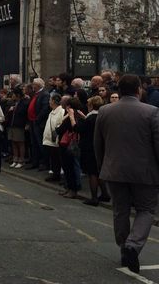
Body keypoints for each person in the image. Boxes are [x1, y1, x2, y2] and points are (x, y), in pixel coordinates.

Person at [94, 74, 159, 273]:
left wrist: (102, 168)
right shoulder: (152, 112)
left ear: (119, 90)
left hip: (113, 170)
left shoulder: (104, 111)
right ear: (139, 89)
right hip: (144, 172)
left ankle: (124, 248)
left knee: (120, 210)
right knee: (146, 210)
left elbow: (98, 144)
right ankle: (133, 245)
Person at [74, 96, 110, 206]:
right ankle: (105, 194)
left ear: (91, 105)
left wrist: (72, 117)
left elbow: (78, 128)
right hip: (100, 147)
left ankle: (94, 197)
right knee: (98, 172)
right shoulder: (102, 116)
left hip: (89, 147)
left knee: (92, 173)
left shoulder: (90, 118)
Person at [56, 97, 82, 199]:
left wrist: (57, 128)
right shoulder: (78, 115)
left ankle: (72, 189)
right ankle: (69, 188)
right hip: (72, 144)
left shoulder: (70, 117)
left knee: (69, 168)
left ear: (69, 106)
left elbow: (61, 129)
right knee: (70, 167)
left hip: (67, 144)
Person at [26, 78, 50, 171]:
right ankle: (35, 162)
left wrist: (37, 119)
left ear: (39, 85)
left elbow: (44, 109)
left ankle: (44, 163)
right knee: (34, 143)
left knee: (40, 143)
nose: (33, 86)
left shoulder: (44, 94)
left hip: (38, 123)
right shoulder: (35, 94)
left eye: (34, 84)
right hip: (32, 121)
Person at [41, 93, 65, 182]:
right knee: (53, 158)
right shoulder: (52, 111)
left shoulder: (61, 111)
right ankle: (55, 174)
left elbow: (60, 124)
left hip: (56, 139)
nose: (49, 102)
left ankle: (58, 175)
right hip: (50, 140)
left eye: (50, 100)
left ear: (54, 101)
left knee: (57, 159)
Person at [7, 88, 28, 168]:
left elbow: (23, 114)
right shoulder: (15, 103)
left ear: (18, 95)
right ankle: (15, 159)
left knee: (20, 143)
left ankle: (21, 160)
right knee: (14, 142)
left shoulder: (23, 103)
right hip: (12, 124)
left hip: (19, 125)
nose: (12, 96)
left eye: (14, 94)